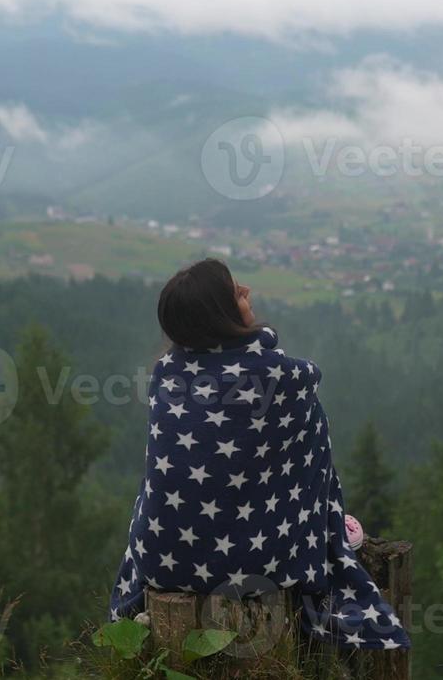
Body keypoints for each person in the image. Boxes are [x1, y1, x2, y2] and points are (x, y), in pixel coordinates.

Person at [106, 259, 410, 650]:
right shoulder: (282, 377)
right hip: (261, 563)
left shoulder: (167, 374)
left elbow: (168, 479)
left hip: (164, 557)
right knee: (307, 439)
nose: (246, 291)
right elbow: (306, 460)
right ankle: (326, 524)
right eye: (235, 291)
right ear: (221, 313)